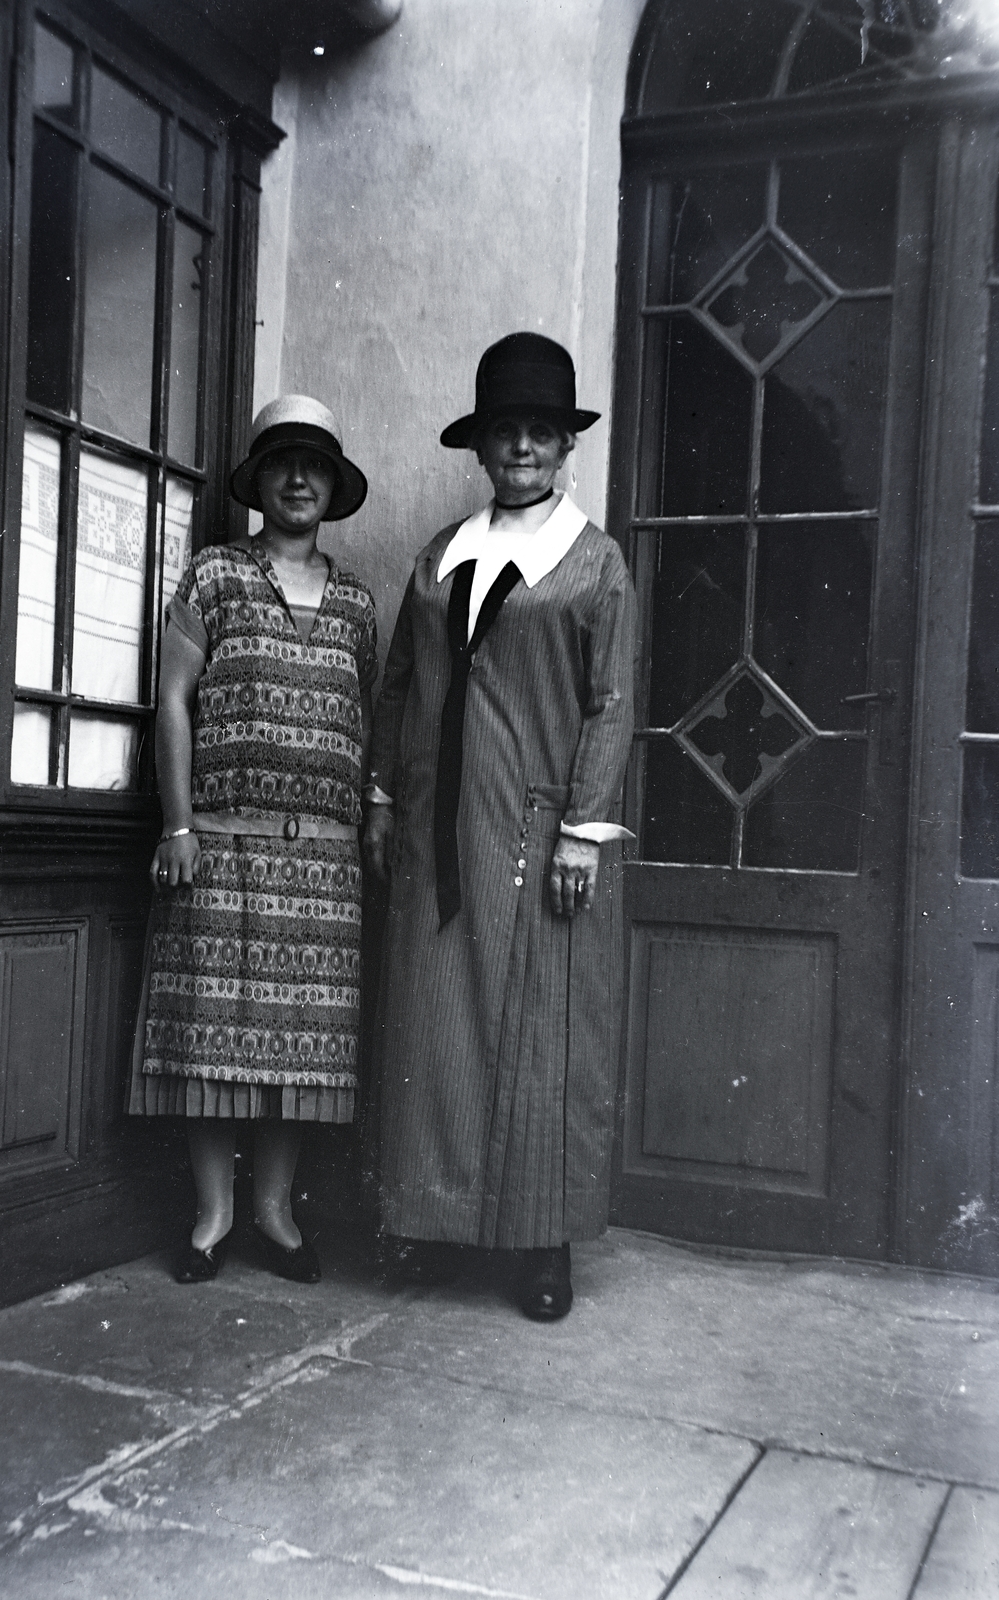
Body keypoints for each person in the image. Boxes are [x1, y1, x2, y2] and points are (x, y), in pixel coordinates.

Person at [363, 333, 635, 1321]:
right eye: (506, 430)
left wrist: (583, 830)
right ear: (480, 446)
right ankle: (434, 1226)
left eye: (541, 431)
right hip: (437, 834)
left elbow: (610, 704)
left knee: (540, 1041)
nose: (522, 446)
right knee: (437, 1034)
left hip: (534, 836)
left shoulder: (594, 564)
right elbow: (400, 685)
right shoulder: (441, 558)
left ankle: (539, 1244)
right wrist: (382, 796)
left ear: (565, 447)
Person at [127, 395, 377, 1285]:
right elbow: (173, 702)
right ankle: (214, 1215)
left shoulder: (356, 602)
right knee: (213, 1036)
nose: (299, 480)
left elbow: (366, 722)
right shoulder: (214, 576)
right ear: (259, 480)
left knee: (296, 1046)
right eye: (282, 464)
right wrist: (178, 823)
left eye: (316, 467)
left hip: (321, 861)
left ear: (333, 486)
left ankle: (274, 1213)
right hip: (221, 846)